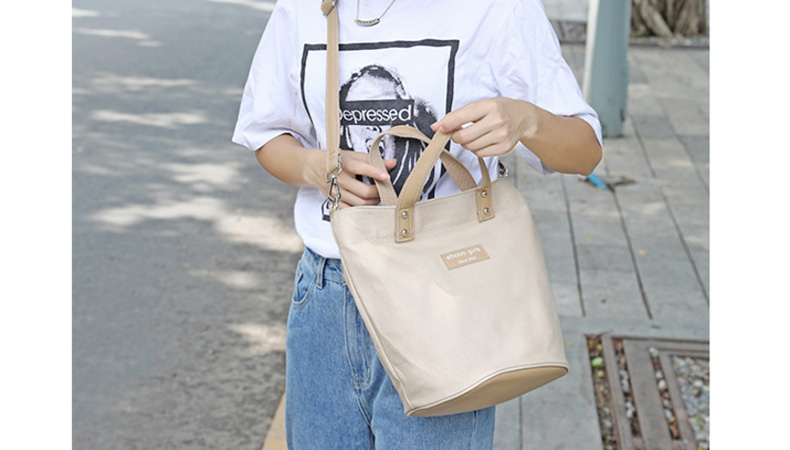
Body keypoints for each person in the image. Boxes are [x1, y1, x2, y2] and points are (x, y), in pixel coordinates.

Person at [232, 0, 602, 448]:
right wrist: (319, 168)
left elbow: (584, 152)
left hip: (444, 299)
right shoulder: (304, 7)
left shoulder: (498, 9)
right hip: (327, 300)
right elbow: (267, 132)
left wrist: (527, 119)